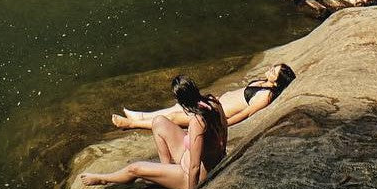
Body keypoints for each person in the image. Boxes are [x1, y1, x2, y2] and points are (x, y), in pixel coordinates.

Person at [80, 76, 228, 189]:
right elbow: (224, 135)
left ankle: (103, 179)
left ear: (181, 100)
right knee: (158, 122)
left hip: (191, 175)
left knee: (135, 169)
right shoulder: (212, 101)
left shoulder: (198, 122)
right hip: (187, 158)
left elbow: (195, 166)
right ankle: (165, 172)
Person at [111, 63, 296, 130]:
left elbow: (247, 113)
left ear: (277, 81)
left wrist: (224, 124)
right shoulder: (262, 83)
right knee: (178, 107)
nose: (270, 69)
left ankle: (132, 124)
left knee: (175, 117)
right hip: (213, 104)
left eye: (274, 71)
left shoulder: (265, 96)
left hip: (214, 115)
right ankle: (140, 116)